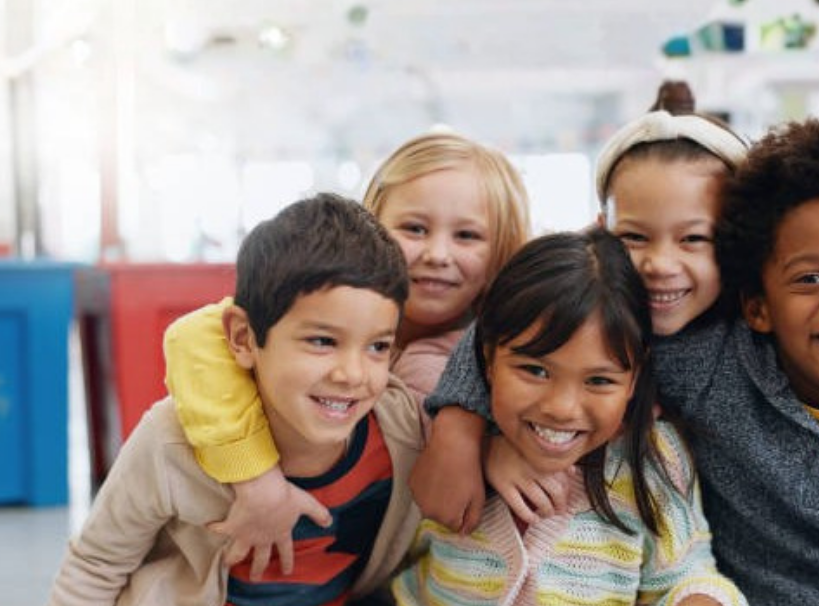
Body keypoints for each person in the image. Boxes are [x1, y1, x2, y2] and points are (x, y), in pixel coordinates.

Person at [426, 117, 819, 604]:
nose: (659, 264)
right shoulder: (696, 360)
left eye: (693, 239)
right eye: (633, 238)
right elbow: (528, 319)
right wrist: (464, 429)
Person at [161, 130, 531, 577]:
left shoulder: (496, 349)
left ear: (502, 250)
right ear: (373, 226)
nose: (437, 254)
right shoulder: (317, 300)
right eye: (414, 228)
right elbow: (196, 336)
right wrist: (254, 477)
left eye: (468, 235)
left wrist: (485, 444)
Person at [47, 194, 425, 606]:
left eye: (377, 347)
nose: (352, 374)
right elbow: (95, 567)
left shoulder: (401, 432)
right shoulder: (169, 441)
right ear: (243, 338)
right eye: (322, 341)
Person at [392, 228, 747, 606]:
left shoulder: (652, 458)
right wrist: (472, 447)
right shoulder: (449, 444)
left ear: (634, 379)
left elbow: (687, 574)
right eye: (535, 370)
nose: (562, 408)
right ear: (488, 358)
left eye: (599, 380)